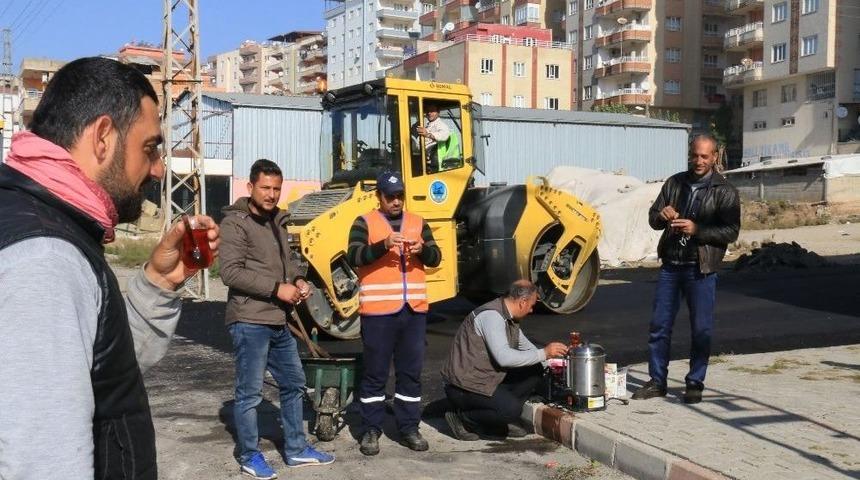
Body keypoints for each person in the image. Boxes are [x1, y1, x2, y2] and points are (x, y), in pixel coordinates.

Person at [0, 57, 220, 479]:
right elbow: (43, 464)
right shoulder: (45, 259)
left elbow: (99, 373)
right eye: (150, 148)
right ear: (103, 137)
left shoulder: (39, 221)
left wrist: (157, 282)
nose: (157, 169)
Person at [219, 159, 334, 478]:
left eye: (276, 189)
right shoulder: (235, 223)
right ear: (250, 187)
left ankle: (296, 450)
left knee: (295, 384)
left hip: (279, 321)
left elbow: (290, 263)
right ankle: (248, 454)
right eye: (265, 188)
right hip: (249, 320)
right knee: (250, 393)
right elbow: (229, 272)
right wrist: (276, 289)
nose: (271, 194)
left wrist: (298, 281)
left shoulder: (279, 221)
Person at [632, 134, 740, 404]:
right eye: (695, 155)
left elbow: (731, 232)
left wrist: (698, 229)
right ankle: (657, 381)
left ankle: (695, 382)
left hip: (700, 269)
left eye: (705, 156)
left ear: (715, 157)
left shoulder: (725, 190)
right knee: (659, 326)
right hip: (671, 266)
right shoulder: (674, 183)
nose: (698, 161)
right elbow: (653, 218)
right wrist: (662, 215)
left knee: (701, 329)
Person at [346, 170, 441, 456]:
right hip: (378, 313)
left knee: (410, 374)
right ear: (379, 197)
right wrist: (383, 245)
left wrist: (423, 249)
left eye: (400, 196)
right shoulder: (364, 222)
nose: (396, 201)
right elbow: (353, 256)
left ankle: (409, 427)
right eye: (390, 197)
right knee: (375, 375)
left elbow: (436, 258)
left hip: (413, 312)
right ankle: (371, 430)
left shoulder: (418, 222)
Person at [441, 280, 568, 440]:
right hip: (464, 386)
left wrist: (559, 363)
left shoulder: (508, 317)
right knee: (511, 410)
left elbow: (527, 348)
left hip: (484, 378)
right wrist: (544, 353)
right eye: (531, 305)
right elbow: (504, 358)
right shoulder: (492, 317)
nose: (531, 310)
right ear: (522, 302)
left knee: (535, 370)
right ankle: (463, 417)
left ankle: (496, 416)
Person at [412, 102, 451, 172]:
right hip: (421, 156)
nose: (429, 113)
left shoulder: (441, 125)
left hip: (434, 161)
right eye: (428, 111)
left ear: (438, 112)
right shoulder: (427, 125)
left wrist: (427, 134)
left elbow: (444, 136)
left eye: (432, 111)